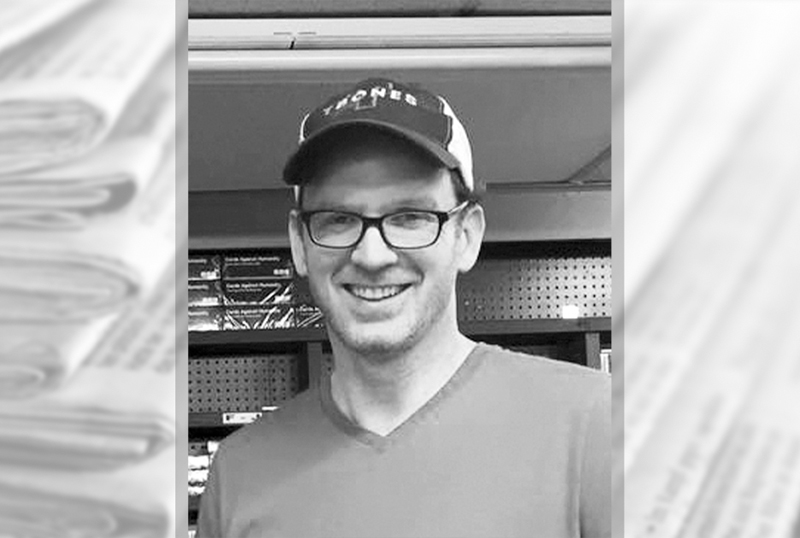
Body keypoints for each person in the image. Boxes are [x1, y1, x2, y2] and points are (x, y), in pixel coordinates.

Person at [196, 78, 610, 538]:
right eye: (338, 219)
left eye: (411, 217)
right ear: (299, 243)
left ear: (466, 236)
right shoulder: (239, 473)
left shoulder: (596, 426)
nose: (372, 256)